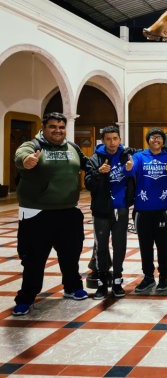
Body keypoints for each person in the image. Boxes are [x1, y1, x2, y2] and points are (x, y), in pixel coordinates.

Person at [12, 112, 88, 316]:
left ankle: (72, 287)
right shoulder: (33, 145)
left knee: (71, 255)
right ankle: (26, 298)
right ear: (44, 128)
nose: (58, 130)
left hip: (68, 212)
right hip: (37, 213)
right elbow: (21, 156)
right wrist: (26, 160)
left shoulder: (72, 147)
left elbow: (86, 163)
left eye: (61, 127)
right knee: (34, 260)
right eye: (53, 127)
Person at [84, 126, 136, 299]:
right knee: (101, 247)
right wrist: (99, 173)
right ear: (103, 140)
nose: (112, 142)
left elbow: (151, 149)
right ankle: (101, 282)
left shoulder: (126, 155)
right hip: (101, 209)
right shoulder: (95, 159)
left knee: (120, 245)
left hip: (121, 207)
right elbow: (88, 183)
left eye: (115, 138)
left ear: (120, 139)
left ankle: (117, 280)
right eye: (108, 139)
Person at [125, 128, 167, 294]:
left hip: (163, 210)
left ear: (163, 141)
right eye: (153, 137)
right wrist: (128, 166)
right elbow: (130, 170)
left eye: (159, 138)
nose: (156, 140)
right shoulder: (140, 156)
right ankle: (148, 277)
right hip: (142, 210)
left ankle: (163, 276)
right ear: (148, 140)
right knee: (145, 246)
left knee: (164, 246)